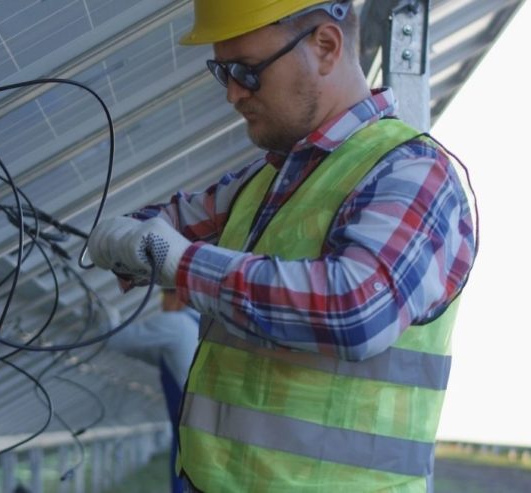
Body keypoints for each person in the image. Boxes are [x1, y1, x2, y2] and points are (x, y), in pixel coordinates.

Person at [86, 1, 476, 491]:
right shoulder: (261, 182)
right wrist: (126, 240)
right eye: (222, 71)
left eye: (247, 72)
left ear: (326, 46)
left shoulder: (412, 173)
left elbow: (354, 310)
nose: (232, 93)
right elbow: (157, 228)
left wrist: (179, 263)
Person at [107, 289, 199, 493]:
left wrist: (106, 316)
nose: (161, 305)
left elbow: (117, 340)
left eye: (163, 298)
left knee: (184, 481)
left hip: (189, 428)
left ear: (177, 298)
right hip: (195, 424)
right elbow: (148, 353)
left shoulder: (175, 324)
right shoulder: (195, 327)